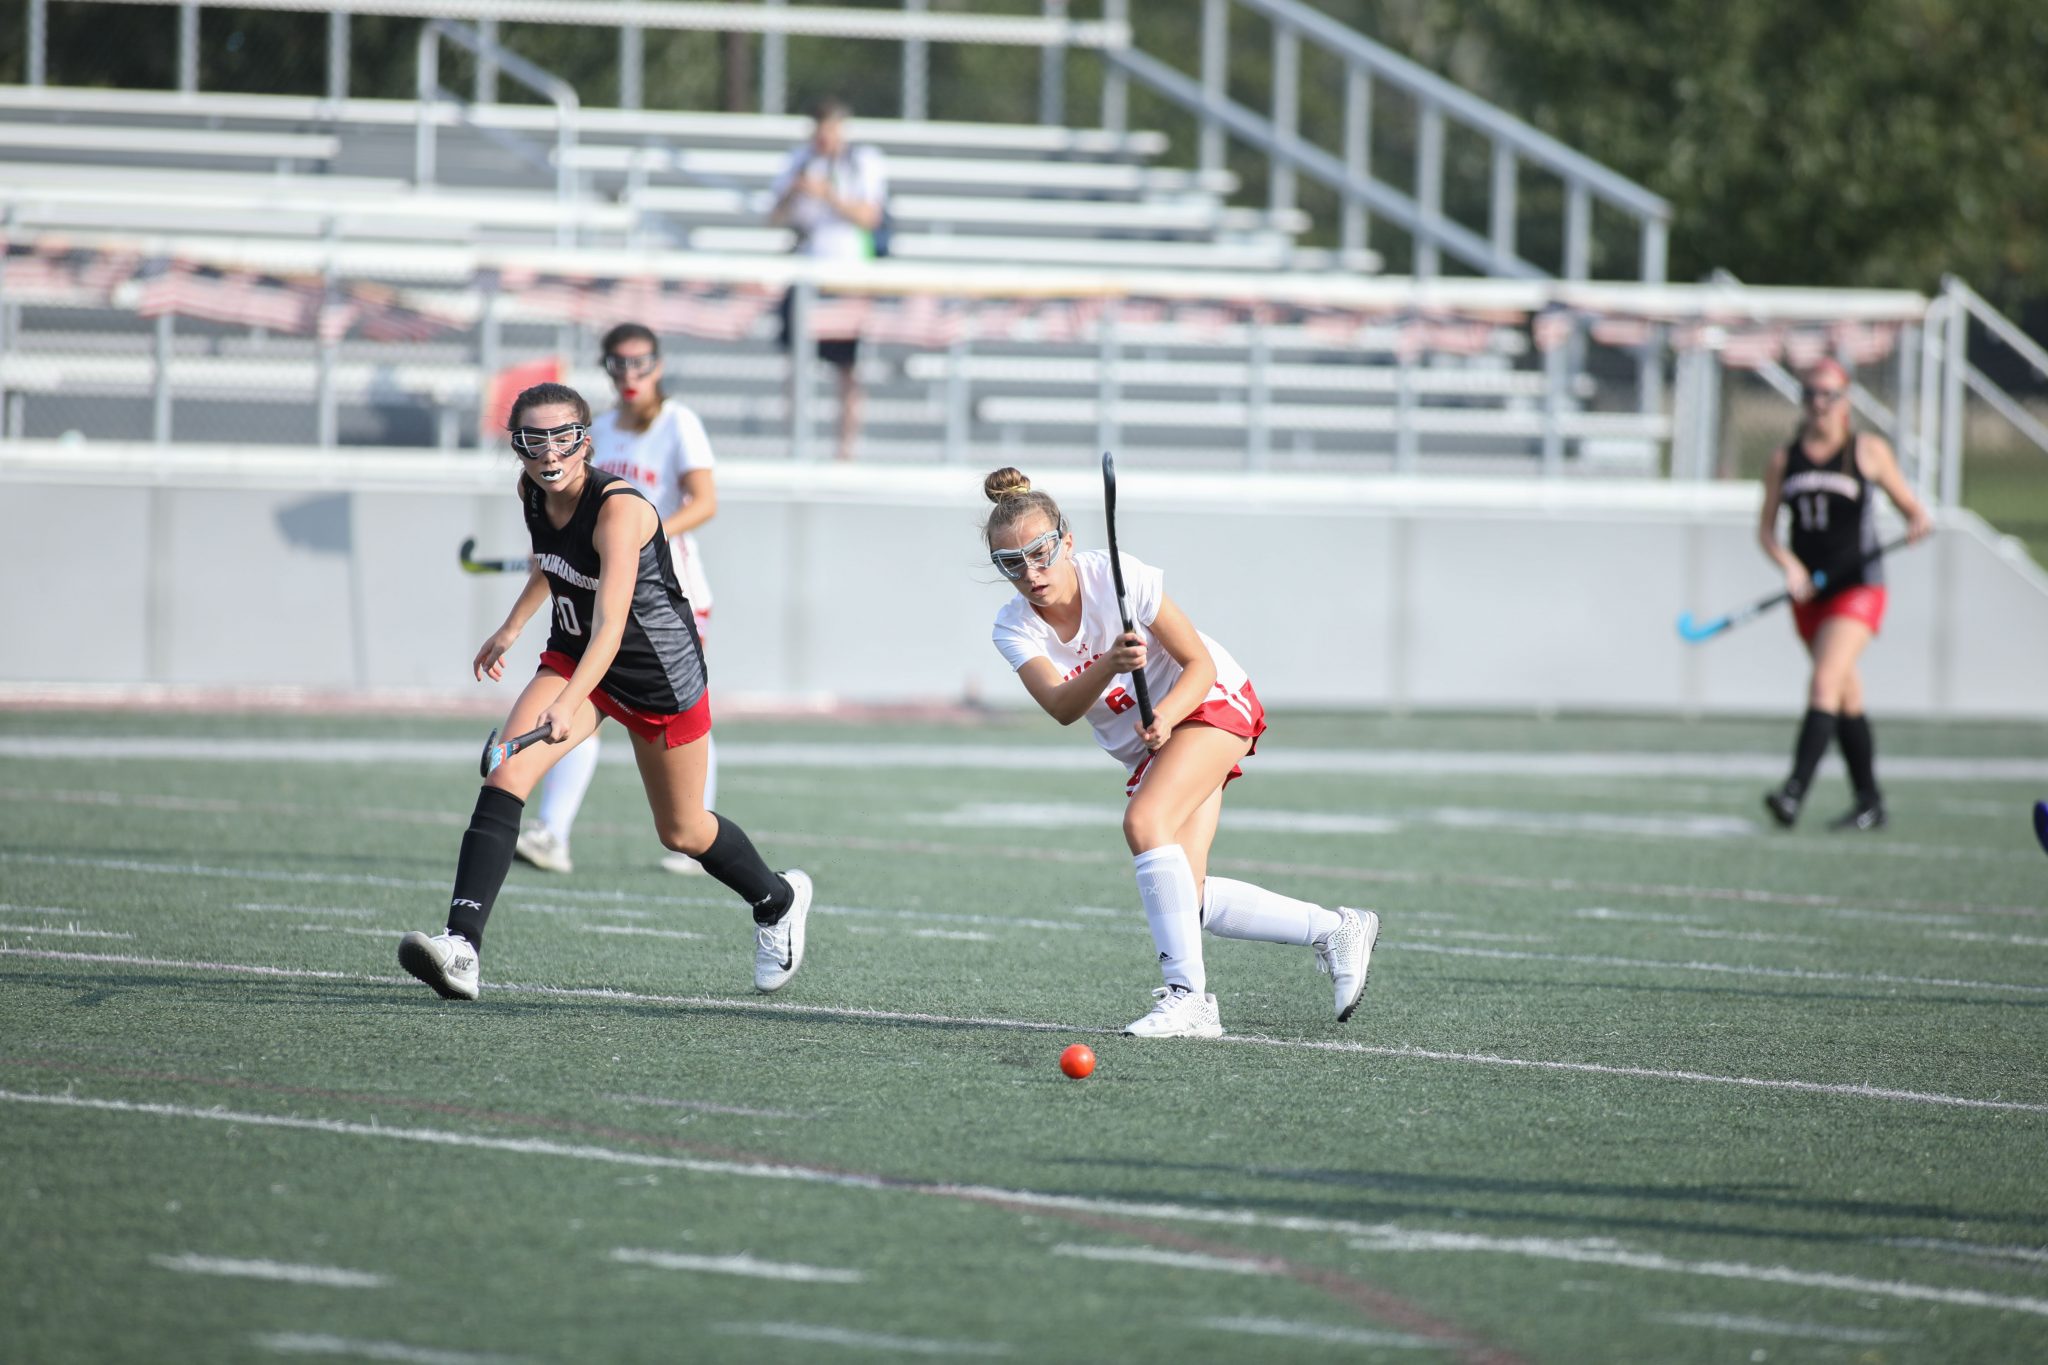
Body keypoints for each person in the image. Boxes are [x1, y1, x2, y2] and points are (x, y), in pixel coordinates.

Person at [398, 382, 813, 1001]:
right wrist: (512, 627)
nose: (548, 452)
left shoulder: (620, 510)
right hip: (573, 653)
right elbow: (551, 562)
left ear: (585, 441)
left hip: (655, 676)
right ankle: (461, 947)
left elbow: (614, 625)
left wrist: (567, 704)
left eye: (561, 436)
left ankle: (777, 900)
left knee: (682, 831)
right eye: (532, 440)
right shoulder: (532, 492)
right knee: (504, 777)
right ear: (517, 448)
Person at [980, 468, 1378, 1038]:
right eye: (1011, 563)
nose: (1032, 573)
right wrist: (1110, 666)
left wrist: (1164, 715)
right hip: (1156, 743)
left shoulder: (1121, 578)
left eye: (1040, 553)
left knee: (1145, 821)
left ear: (1066, 540)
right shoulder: (1014, 627)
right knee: (1183, 903)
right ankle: (1336, 929)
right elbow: (1062, 706)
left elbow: (1201, 665)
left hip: (1209, 703)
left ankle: (1187, 998)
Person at [513, 323, 720, 878]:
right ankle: (552, 831)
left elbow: (705, 502)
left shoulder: (680, 424)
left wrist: (636, 538)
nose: (630, 375)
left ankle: (697, 830)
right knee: (576, 703)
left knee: (675, 711)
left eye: (642, 363)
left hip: (666, 595)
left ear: (659, 365)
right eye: (618, 364)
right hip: (594, 596)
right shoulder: (591, 428)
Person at [1758, 358, 1933, 831]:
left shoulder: (1867, 452)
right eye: (1810, 394)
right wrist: (1790, 566)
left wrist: (1918, 520)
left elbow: (1912, 509)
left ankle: (1793, 792)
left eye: (1828, 394)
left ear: (1845, 400)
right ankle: (1869, 802)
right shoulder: (1783, 459)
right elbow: (1768, 533)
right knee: (1846, 694)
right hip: (1809, 596)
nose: (1819, 403)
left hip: (1857, 588)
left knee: (1824, 681)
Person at [768, 95, 887, 462]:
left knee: (846, 368)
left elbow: (870, 216)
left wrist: (828, 195)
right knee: (798, 363)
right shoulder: (800, 161)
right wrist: (796, 191)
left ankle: (844, 452)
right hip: (806, 274)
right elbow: (773, 218)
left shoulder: (861, 162)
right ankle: (797, 447)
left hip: (846, 276)